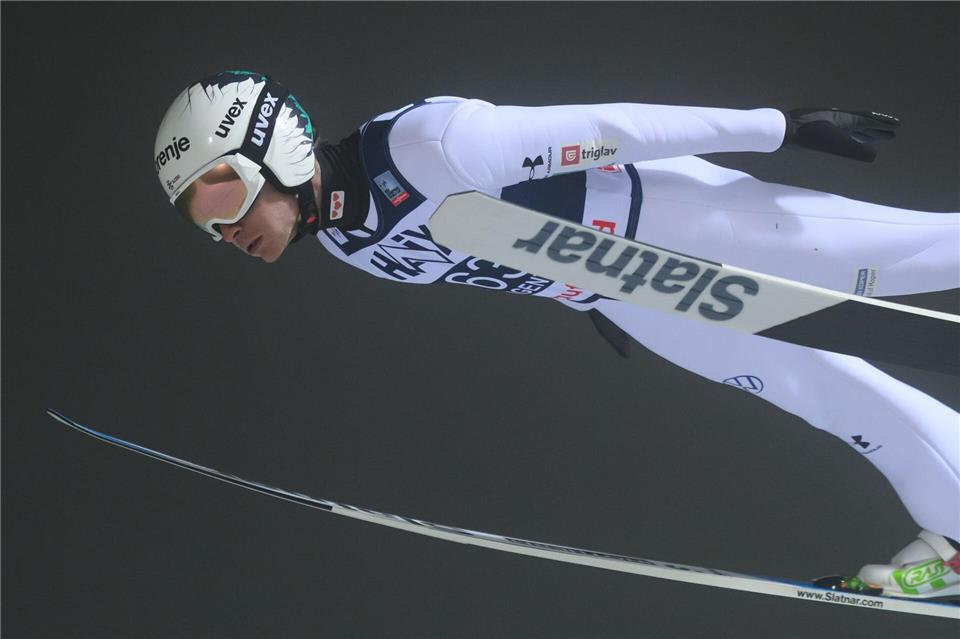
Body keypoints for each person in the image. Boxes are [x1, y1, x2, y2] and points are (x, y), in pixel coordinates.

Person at [154, 70, 960, 598]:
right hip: (632, 293)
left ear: (275, 149)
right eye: (200, 217)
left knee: (909, 257)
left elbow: (611, 127)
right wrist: (592, 300)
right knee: (827, 391)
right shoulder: (346, 241)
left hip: (672, 219)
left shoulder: (422, 147)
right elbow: (504, 257)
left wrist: (777, 126)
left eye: (222, 196)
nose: (224, 229)